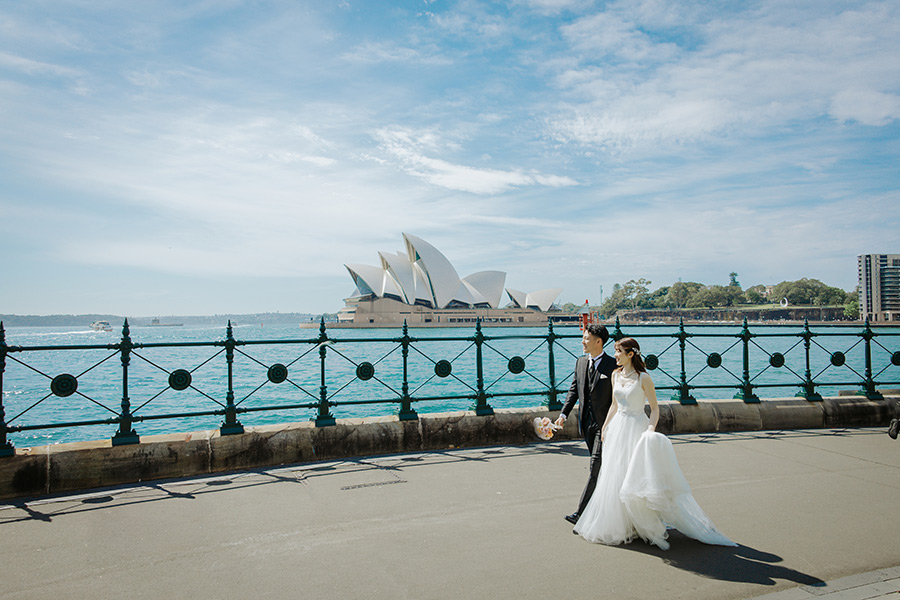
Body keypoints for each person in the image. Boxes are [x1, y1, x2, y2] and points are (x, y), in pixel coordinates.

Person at [573, 337, 737, 550]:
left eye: (618, 352)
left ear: (630, 354)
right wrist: (605, 427)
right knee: (614, 473)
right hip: (617, 428)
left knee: (636, 475)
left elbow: (655, 409)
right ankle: (623, 523)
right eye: (615, 351)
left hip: (636, 428)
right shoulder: (615, 375)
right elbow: (614, 405)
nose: (615, 355)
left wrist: (650, 430)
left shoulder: (644, 378)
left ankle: (642, 522)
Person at [555, 324, 617, 525]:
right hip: (586, 424)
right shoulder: (580, 362)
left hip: (606, 426)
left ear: (598, 341)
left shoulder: (613, 365)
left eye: (586, 338)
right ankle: (610, 506)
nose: (583, 342)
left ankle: (581, 513)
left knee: (595, 467)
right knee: (603, 468)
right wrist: (563, 415)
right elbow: (574, 390)